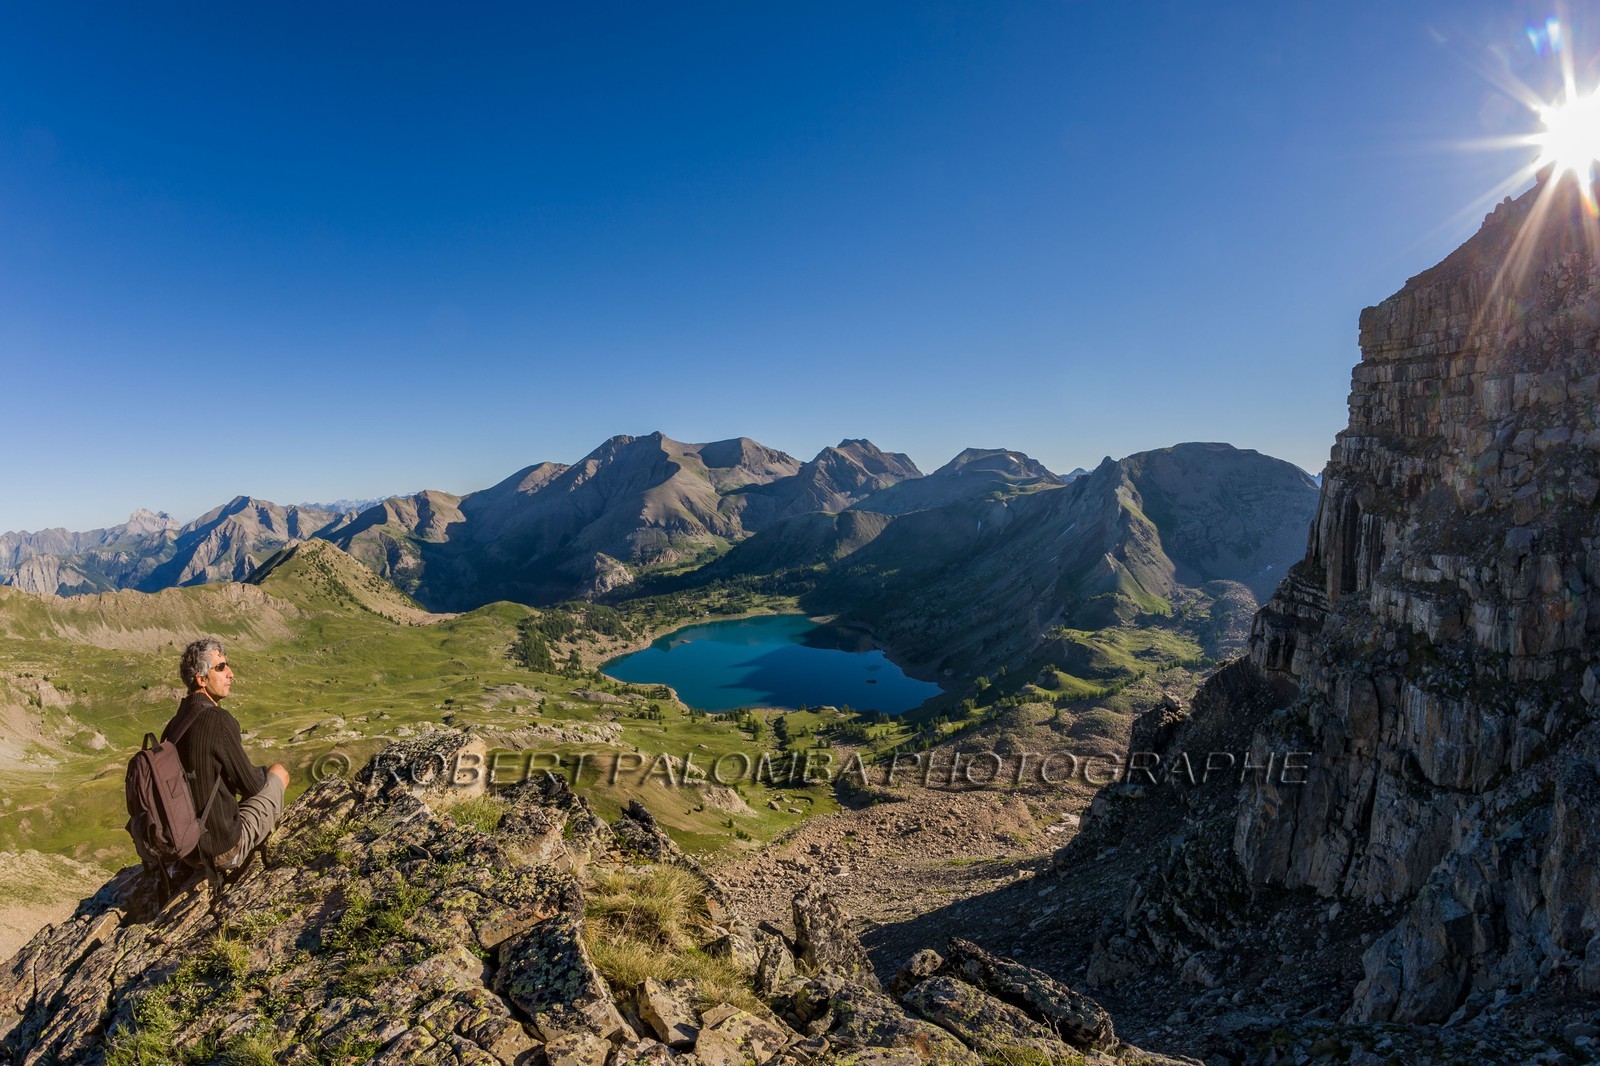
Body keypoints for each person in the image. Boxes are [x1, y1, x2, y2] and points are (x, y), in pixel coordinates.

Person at [163, 638, 289, 870]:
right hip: (221, 850)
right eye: (220, 667)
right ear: (201, 679)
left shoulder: (174, 725)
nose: (230, 673)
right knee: (279, 773)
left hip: (187, 850)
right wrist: (264, 771)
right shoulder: (218, 719)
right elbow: (252, 786)